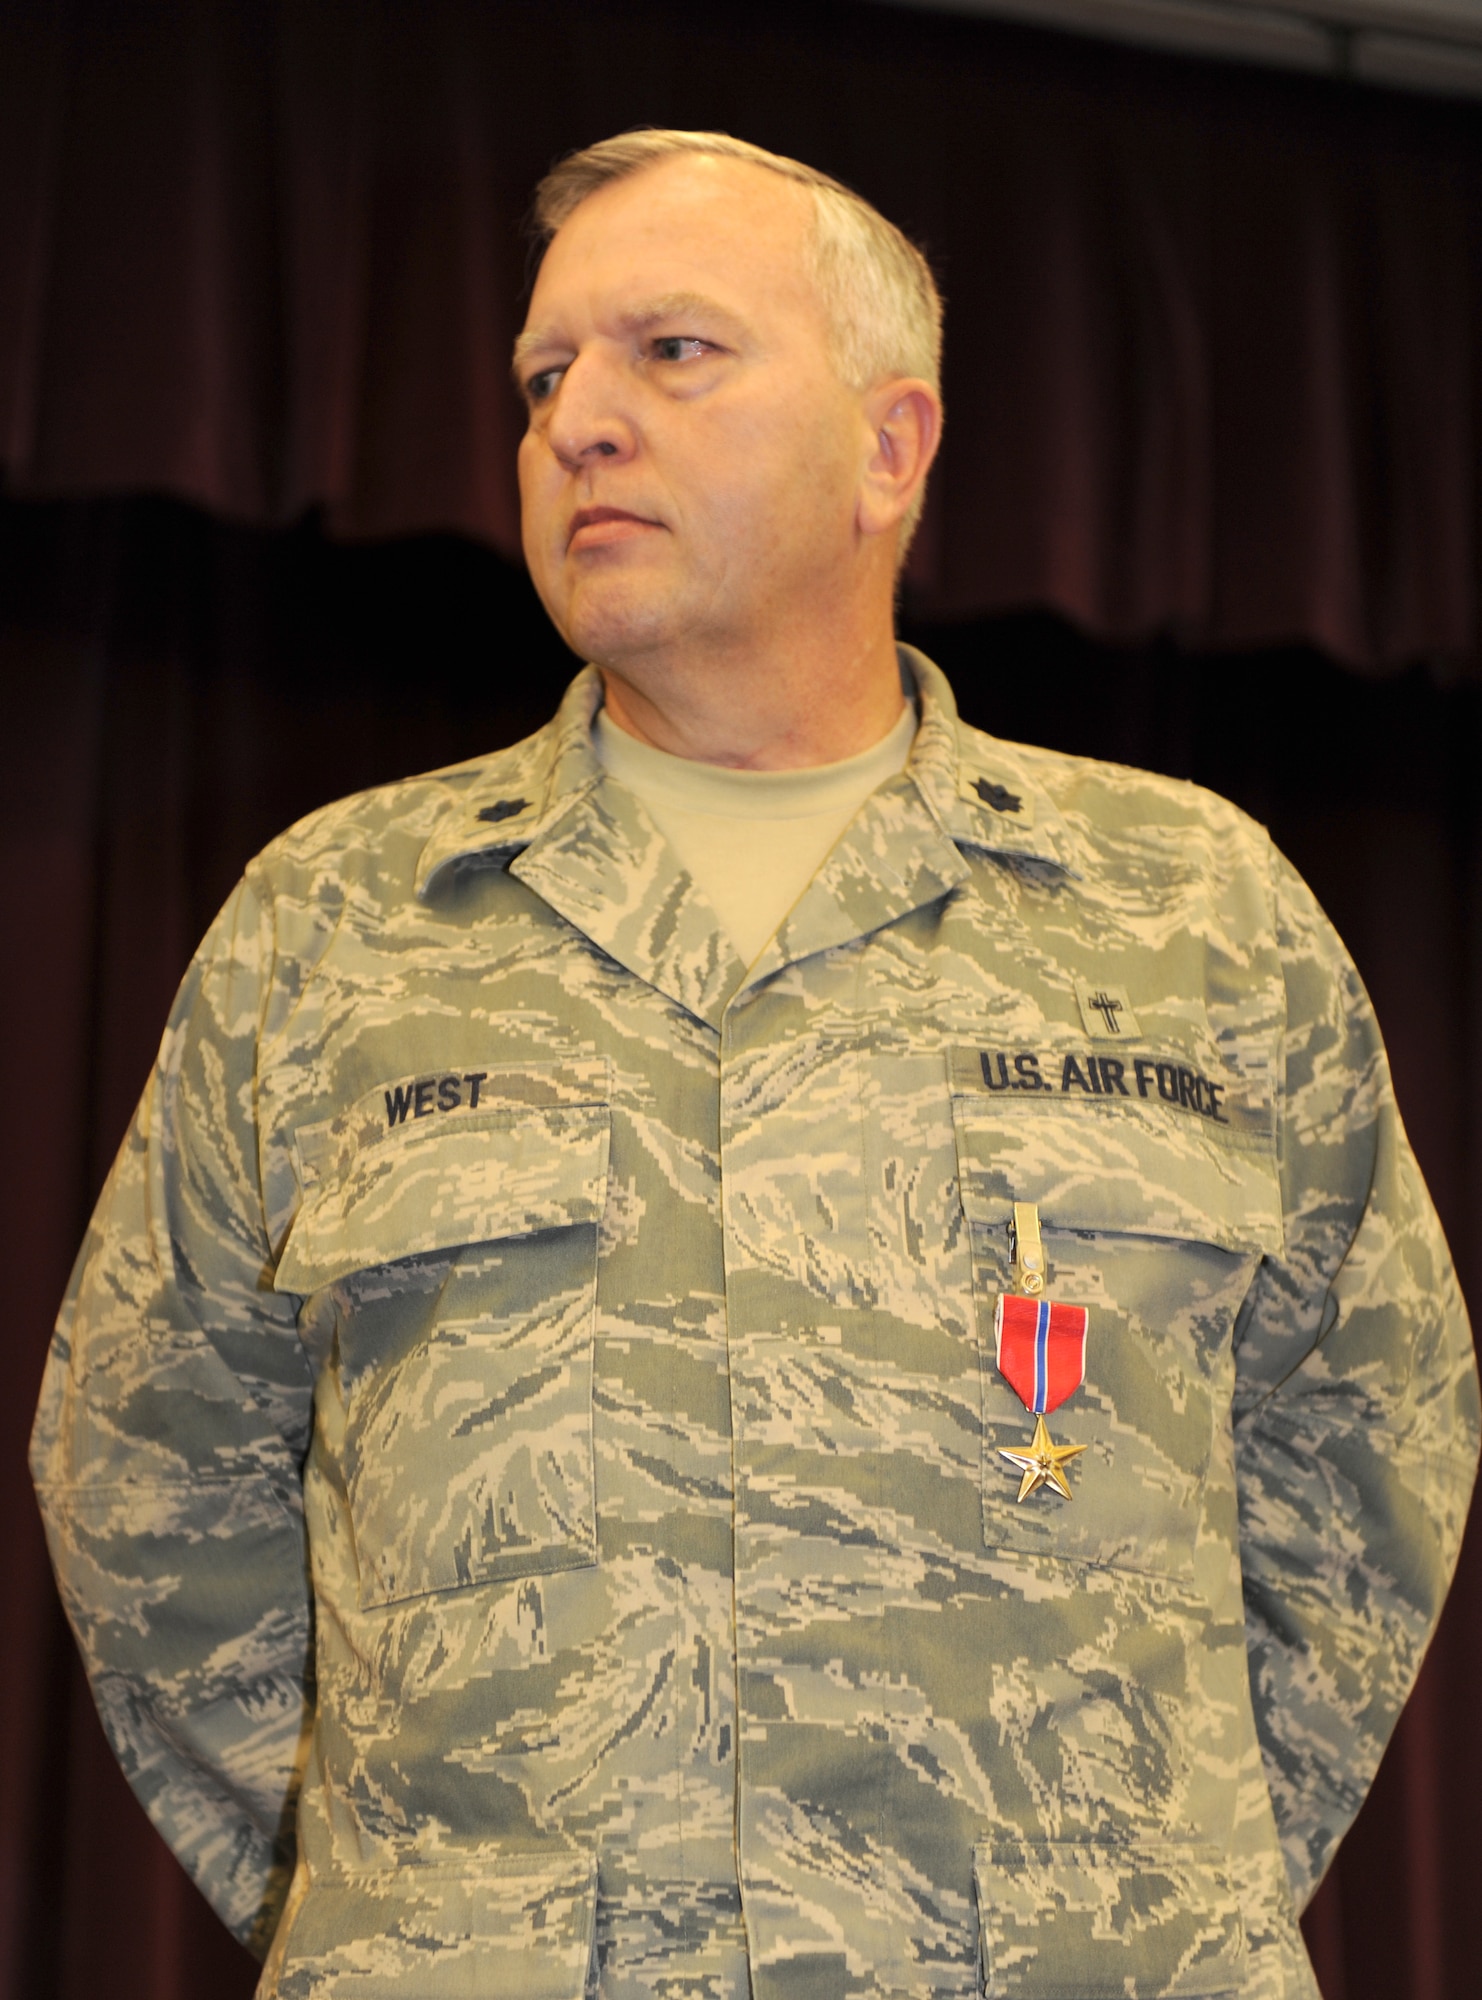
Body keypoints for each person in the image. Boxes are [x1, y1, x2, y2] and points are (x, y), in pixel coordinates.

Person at [31, 129, 1479, 2000]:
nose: (578, 423)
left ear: (892, 446)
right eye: (546, 377)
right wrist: (431, 1913)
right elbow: (151, 1498)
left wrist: (1123, 1896)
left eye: (672, 353)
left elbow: (1370, 1452)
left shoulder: (1191, 909)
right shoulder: (334, 923)